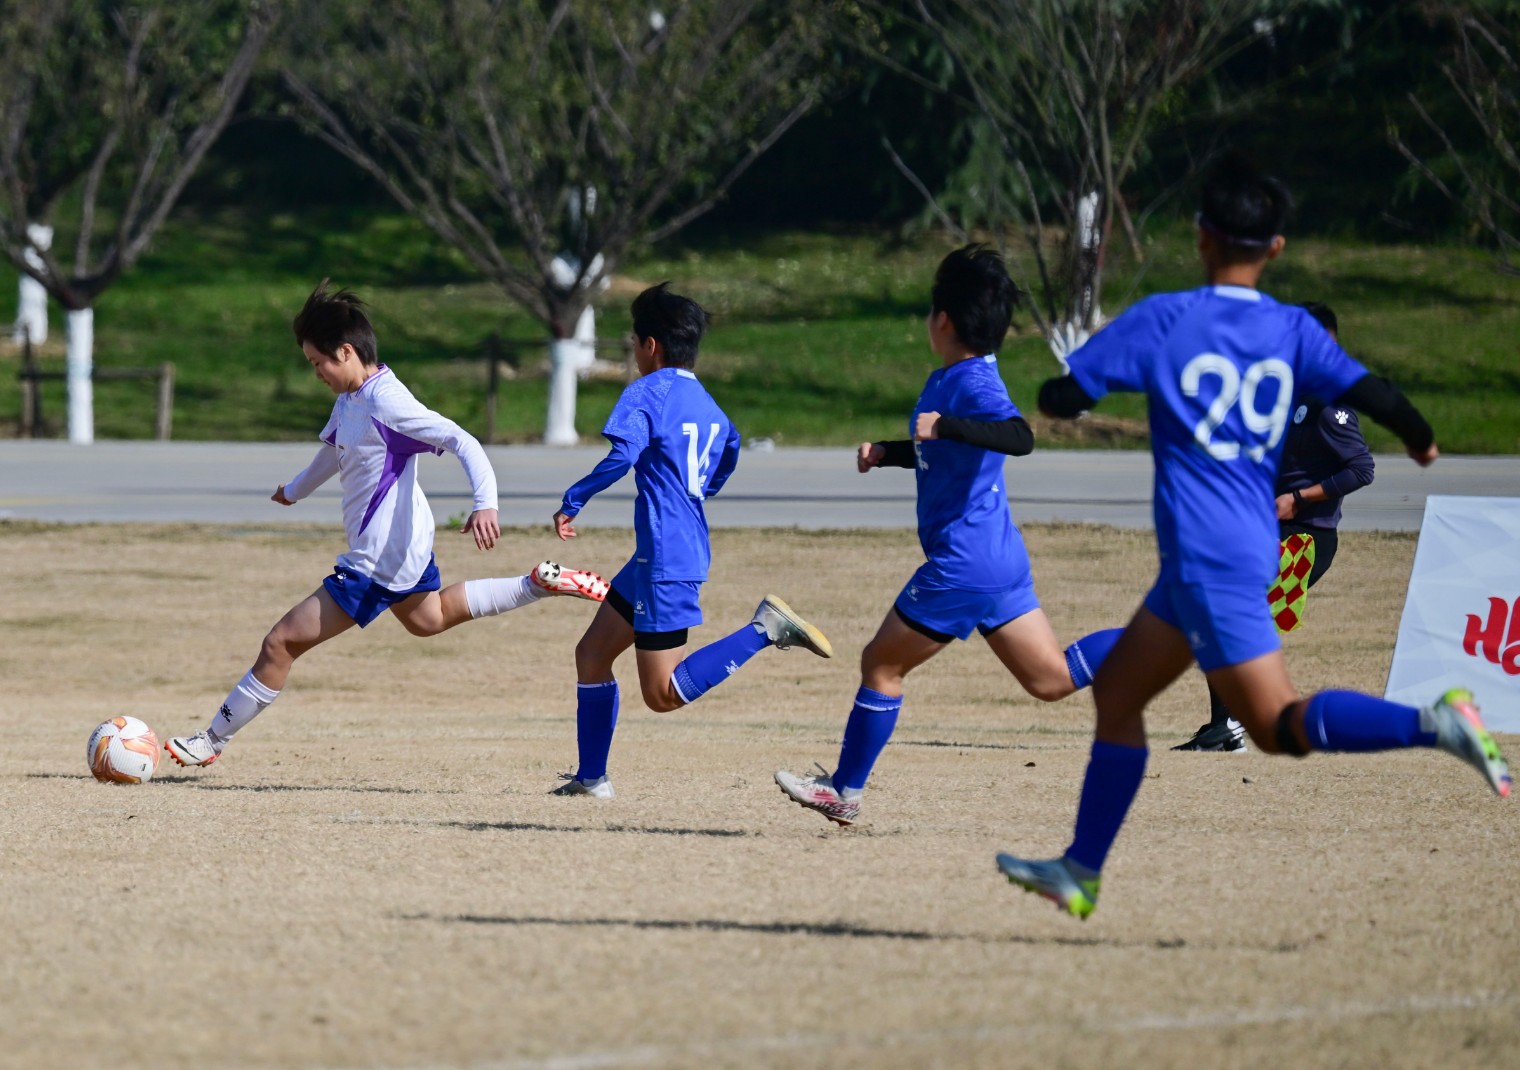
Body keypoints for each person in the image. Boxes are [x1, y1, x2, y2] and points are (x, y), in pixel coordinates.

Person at [995, 155, 1511, 920]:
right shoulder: (1293, 328)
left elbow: (1064, 395)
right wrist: (1421, 437)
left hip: (1209, 558)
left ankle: (1439, 722)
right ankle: (1079, 870)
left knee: (1273, 724)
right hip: (1225, 552)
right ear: (1274, 249)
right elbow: (1374, 392)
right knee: (1121, 695)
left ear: (1201, 237)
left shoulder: (1166, 318)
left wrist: (1060, 392)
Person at [165, 281, 606, 768]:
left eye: (318, 362)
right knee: (429, 619)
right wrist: (293, 490)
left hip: (378, 560)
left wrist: (486, 504)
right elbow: (332, 451)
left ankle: (211, 740)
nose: (316, 373)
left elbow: (462, 440)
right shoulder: (351, 399)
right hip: (402, 547)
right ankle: (538, 583)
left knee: (281, 642)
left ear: (346, 351)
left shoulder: (387, 403)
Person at [773, 245, 1124, 827]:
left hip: (965, 562)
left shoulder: (974, 382)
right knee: (1051, 679)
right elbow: (946, 451)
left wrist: (946, 425)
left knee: (880, 664)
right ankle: (1169, 638)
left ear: (944, 320)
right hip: (997, 558)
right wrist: (888, 453)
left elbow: (1018, 436)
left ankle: (844, 790)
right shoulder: (950, 378)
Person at [549, 282, 833, 800]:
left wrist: (574, 499)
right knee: (591, 654)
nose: (633, 351)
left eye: (633, 341)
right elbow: (730, 449)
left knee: (661, 694)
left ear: (650, 345)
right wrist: (697, 489)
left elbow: (622, 455)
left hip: (666, 558)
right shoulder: (706, 402)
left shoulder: (646, 391)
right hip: (665, 552)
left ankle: (764, 629)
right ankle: (591, 779)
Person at [1175, 300, 1375, 751]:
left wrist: (1299, 499)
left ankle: (1238, 723)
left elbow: (1362, 469)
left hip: (1306, 538)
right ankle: (1226, 725)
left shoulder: (1330, 406)